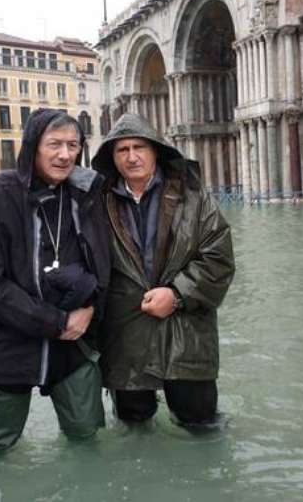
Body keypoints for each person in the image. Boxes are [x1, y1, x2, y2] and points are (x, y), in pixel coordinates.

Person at [0, 109, 111, 450]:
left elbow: (105, 263)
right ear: (33, 146)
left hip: (74, 345)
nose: (64, 154)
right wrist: (55, 321)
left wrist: (90, 307)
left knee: (88, 439)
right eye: (54, 144)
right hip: (5, 345)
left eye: (73, 145)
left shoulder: (87, 194)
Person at [91, 113, 235, 427]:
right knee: (134, 427)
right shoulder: (96, 204)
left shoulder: (195, 199)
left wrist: (177, 294)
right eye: (122, 149)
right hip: (125, 337)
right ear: (111, 158)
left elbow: (218, 259)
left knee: (201, 423)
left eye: (139, 147)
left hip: (187, 333)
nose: (131, 157)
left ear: (156, 149)